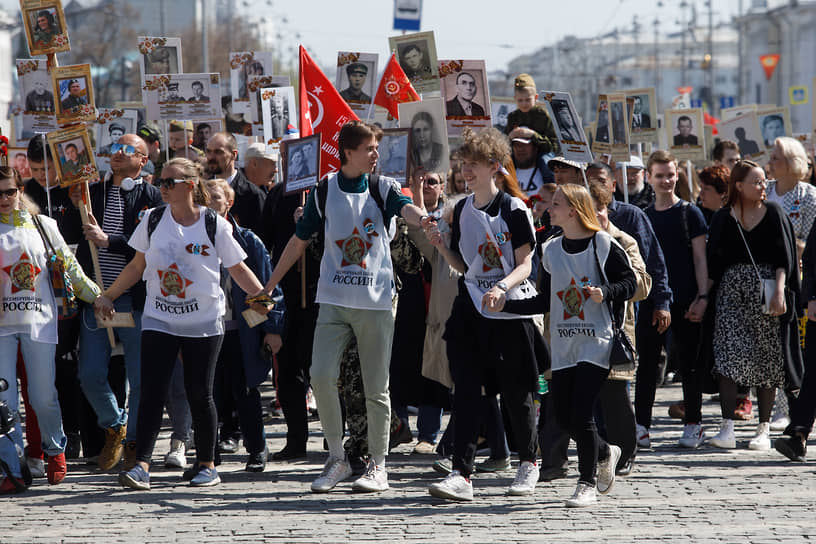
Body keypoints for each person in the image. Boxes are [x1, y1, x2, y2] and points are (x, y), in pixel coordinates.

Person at [253, 120, 427, 493]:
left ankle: (378, 466)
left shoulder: (382, 187)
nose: (376, 154)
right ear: (348, 152)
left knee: (376, 388)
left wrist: (424, 219)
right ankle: (337, 458)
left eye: (377, 148)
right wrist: (268, 285)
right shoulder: (324, 189)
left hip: (376, 302)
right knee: (320, 376)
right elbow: (298, 242)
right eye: (369, 148)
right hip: (332, 301)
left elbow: (406, 209)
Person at [95, 158, 268, 490]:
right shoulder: (152, 219)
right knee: (150, 391)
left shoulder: (214, 223)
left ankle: (206, 464)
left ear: (190, 184)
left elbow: (237, 268)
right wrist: (109, 295)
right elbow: (135, 266)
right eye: (160, 181)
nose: (162, 187)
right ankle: (141, 465)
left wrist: (262, 297)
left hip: (203, 321)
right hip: (160, 317)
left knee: (199, 393)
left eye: (169, 182)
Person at [496, 183, 636, 507]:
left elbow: (629, 282)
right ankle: (604, 451)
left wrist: (606, 292)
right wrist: (505, 305)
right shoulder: (552, 249)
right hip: (562, 344)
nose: (550, 208)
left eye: (556, 203)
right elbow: (545, 299)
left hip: (596, 342)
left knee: (581, 413)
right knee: (562, 415)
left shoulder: (603, 244)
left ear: (573, 210)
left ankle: (586, 483)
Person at [423, 127, 540, 502]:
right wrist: (440, 246)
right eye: (463, 165)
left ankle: (528, 462)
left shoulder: (513, 208)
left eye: (473, 165)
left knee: (516, 392)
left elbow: (525, 264)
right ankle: (462, 473)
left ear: (494, 166)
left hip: (508, 311)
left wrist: (502, 288)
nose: (465, 172)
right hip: (470, 310)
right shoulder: (459, 209)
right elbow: (464, 265)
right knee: (467, 391)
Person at [0, 166, 102, 492]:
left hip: (38, 323)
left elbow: (70, 269)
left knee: (42, 396)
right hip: (1, 328)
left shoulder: (43, 226)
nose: (3, 199)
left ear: (20, 191)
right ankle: (11, 464)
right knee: (4, 400)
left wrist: (99, 297)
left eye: (9, 191)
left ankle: (54, 448)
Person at [70, 133, 163, 473]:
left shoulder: (151, 196)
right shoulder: (90, 193)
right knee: (90, 372)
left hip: (132, 300)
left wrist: (110, 241)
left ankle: (135, 442)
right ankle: (115, 425)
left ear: (143, 159)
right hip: (96, 298)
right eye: (113, 149)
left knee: (139, 379)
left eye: (127, 150)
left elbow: (149, 248)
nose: (118, 155)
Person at [704, 160, 801, 450]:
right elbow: (714, 263)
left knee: (767, 358)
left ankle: (763, 428)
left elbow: (784, 257)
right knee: (728, 357)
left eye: (764, 181)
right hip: (731, 295)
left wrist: (780, 292)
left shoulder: (773, 213)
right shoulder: (724, 217)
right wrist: (702, 298)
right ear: (738, 185)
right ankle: (727, 427)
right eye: (757, 182)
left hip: (768, 291)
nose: (763, 187)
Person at [206, 177, 284, 473]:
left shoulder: (248, 240)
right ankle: (208, 454)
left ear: (229, 203)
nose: (209, 203)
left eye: (215, 198)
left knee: (246, 391)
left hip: (241, 330)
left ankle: (256, 448)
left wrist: (272, 329)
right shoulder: (194, 238)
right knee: (209, 393)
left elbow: (267, 287)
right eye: (204, 197)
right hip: (206, 328)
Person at [635, 150, 709, 450]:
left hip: (687, 300)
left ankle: (694, 423)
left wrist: (703, 297)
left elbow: (701, 260)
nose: (666, 180)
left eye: (670, 175)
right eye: (660, 175)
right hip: (652, 302)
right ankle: (641, 425)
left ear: (678, 176)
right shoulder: (644, 215)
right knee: (648, 365)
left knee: (689, 364)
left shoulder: (690, 213)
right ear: (649, 178)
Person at [205, 132, 265, 233]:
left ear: (234, 155)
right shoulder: (201, 191)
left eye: (218, 152)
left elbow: (260, 238)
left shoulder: (252, 194)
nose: (212, 157)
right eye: (209, 151)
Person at [504, 74, 558, 154]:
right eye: (520, 100)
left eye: (528, 100)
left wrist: (533, 135)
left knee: (544, 162)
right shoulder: (512, 117)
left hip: (540, 154)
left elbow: (553, 147)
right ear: (515, 98)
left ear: (536, 97)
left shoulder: (543, 116)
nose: (524, 104)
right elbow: (503, 146)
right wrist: (510, 136)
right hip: (518, 155)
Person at [509, 126, 555, 196]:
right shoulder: (504, 176)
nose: (520, 149)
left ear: (535, 148)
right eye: (517, 145)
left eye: (525, 144)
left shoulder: (549, 174)